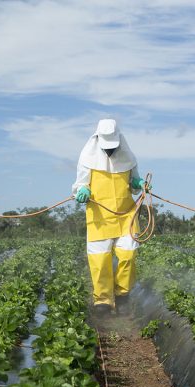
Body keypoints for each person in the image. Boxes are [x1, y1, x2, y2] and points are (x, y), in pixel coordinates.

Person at [72, 118, 150, 311]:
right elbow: (80, 185)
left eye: (112, 147)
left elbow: (134, 183)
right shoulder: (87, 158)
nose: (110, 151)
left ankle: (122, 293)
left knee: (128, 254)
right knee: (100, 259)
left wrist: (138, 184)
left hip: (126, 215)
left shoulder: (128, 158)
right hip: (99, 216)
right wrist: (82, 192)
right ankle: (103, 300)